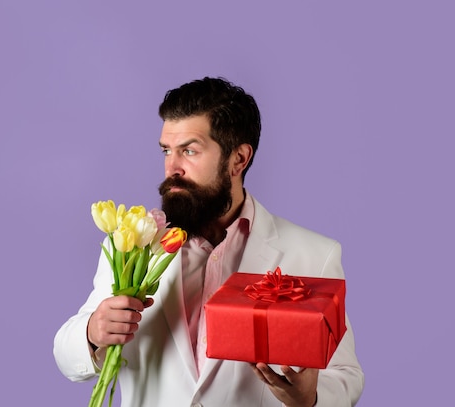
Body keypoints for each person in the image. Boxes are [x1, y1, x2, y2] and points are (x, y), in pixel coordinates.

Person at [54, 77, 364, 406]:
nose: (172, 167)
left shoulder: (314, 254)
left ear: (238, 159)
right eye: (166, 151)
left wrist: (310, 398)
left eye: (189, 150)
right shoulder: (131, 243)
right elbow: (66, 354)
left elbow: (346, 375)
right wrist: (92, 332)